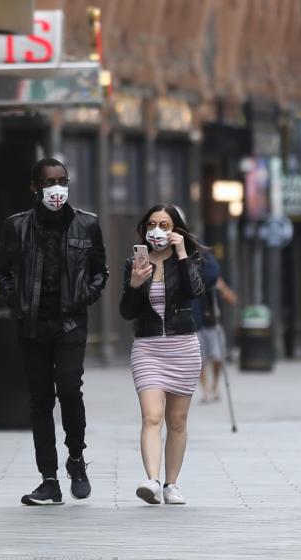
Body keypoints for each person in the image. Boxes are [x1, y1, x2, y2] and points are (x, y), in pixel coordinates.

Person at [0, 157, 109, 506]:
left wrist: (85, 296)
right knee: (40, 401)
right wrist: (19, 302)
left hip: (71, 324)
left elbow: (99, 271)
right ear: (35, 187)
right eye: (48, 182)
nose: (56, 189)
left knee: (70, 390)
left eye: (62, 181)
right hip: (32, 326)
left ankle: (76, 457)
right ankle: (48, 480)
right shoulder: (17, 226)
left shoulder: (87, 225)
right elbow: (2, 271)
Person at [120, 204, 205, 505]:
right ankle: (152, 481)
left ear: (176, 230)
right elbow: (126, 312)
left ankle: (172, 484)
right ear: (144, 229)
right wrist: (134, 284)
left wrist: (182, 255)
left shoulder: (190, 258)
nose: (158, 230)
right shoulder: (136, 261)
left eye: (165, 225)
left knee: (177, 421)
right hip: (148, 348)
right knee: (151, 416)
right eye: (153, 224)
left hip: (183, 347)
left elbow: (195, 292)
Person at [193, 249, 238, 403]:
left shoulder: (214, 278)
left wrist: (221, 287)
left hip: (213, 324)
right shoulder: (192, 278)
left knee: (218, 357)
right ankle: (205, 390)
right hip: (198, 325)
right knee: (200, 360)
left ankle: (215, 385)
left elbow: (233, 300)